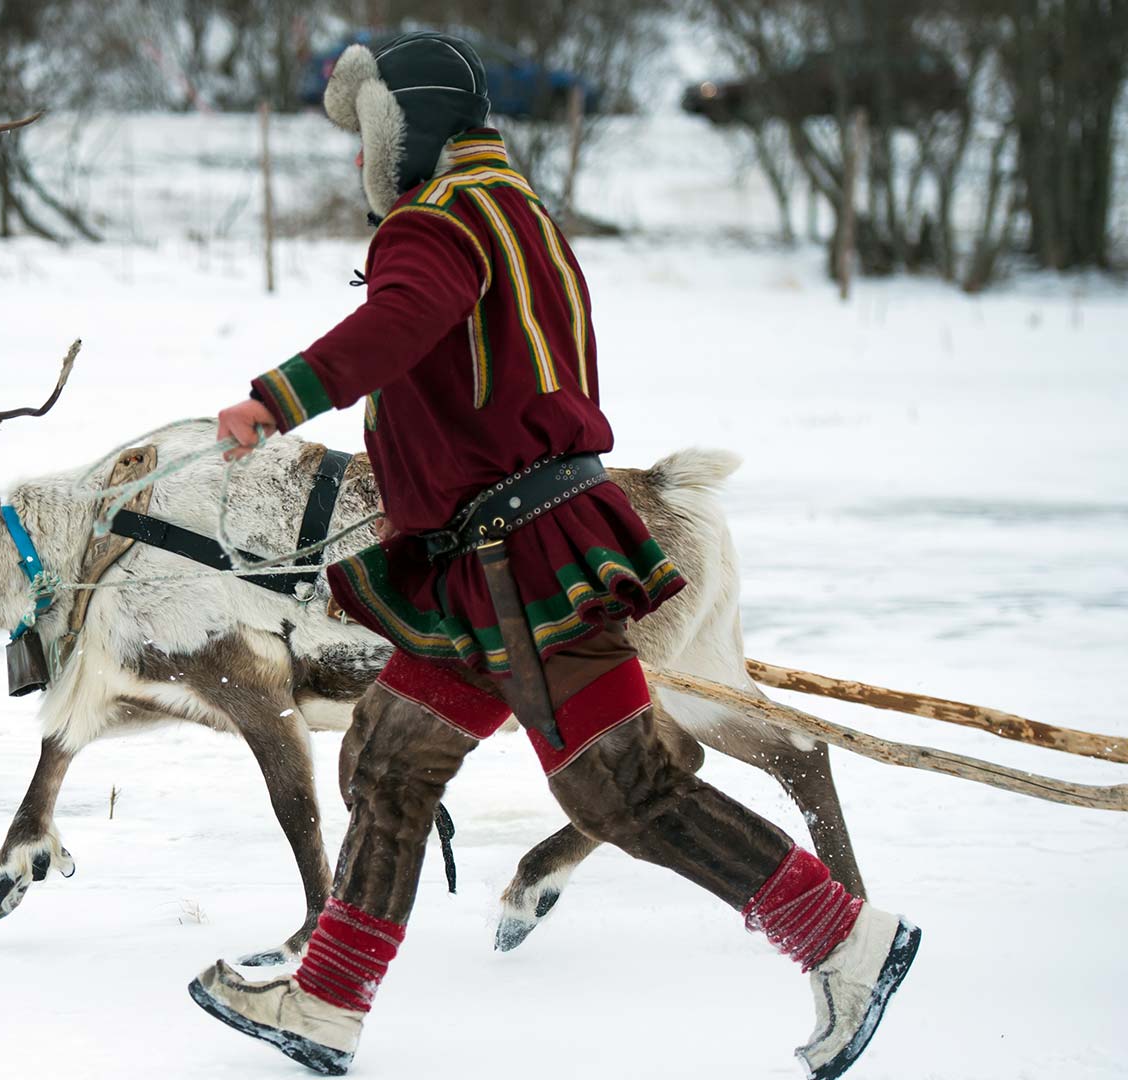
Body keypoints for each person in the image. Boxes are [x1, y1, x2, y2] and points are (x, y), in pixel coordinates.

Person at [186, 32, 920, 1080]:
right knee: (389, 764)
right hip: (482, 565)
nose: (360, 167)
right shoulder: (519, 213)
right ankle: (327, 1004)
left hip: (517, 562)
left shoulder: (434, 226)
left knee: (621, 792)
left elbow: (400, 322)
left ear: (407, 134)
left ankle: (844, 940)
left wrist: (279, 397)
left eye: (367, 142)